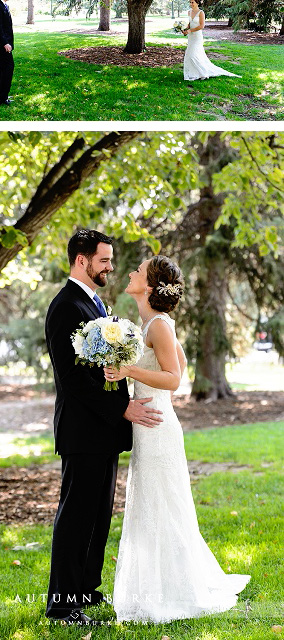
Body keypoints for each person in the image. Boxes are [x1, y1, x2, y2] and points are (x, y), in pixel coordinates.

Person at [107, 255, 250, 622]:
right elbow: (178, 365)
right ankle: (161, 585)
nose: (130, 273)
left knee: (161, 506)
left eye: (138, 271)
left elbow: (174, 378)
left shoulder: (158, 326)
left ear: (150, 286)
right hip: (151, 421)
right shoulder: (152, 323)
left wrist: (129, 370)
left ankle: (172, 591)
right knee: (154, 504)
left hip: (156, 425)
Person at [43, 229, 163, 624]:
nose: (111, 267)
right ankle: (62, 604)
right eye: (105, 260)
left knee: (97, 516)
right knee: (76, 517)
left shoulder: (93, 303)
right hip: (83, 431)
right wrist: (123, 408)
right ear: (82, 259)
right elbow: (73, 380)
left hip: (102, 433)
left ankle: (84, 590)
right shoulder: (66, 307)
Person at [181, 0, 241, 81]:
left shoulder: (201, 13)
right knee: (191, 54)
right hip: (190, 37)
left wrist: (190, 30)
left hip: (197, 36)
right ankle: (194, 73)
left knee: (192, 55)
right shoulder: (189, 12)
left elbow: (202, 26)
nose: (191, 4)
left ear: (197, 3)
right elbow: (190, 24)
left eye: (192, 2)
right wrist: (185, 29)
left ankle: (203, 73)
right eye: (190, 2)